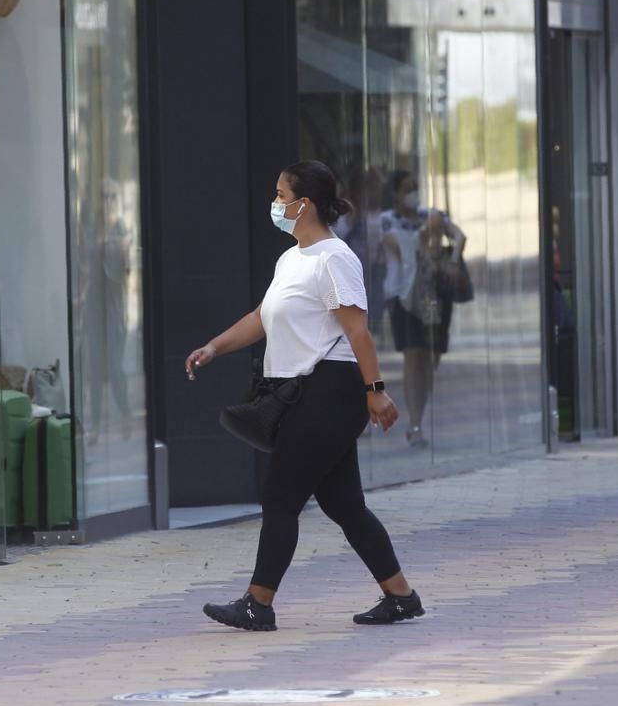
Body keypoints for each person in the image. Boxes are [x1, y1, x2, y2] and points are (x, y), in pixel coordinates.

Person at [187, 161, 423, 630]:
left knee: (280, 497)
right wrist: (214, 346)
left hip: (330, 390)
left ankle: (258, 603)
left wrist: (375, 392)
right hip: (302, 390)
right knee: (344, 505)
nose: (275, 203)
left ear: (304, 204)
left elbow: (359, 332)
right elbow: (261, 315)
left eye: (280, 195)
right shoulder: (292, 258)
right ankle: (400, 595)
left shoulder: (334, 259)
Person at [380, 171, 465, 448]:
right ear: (395, 193)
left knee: (431, 354)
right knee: (413, 354)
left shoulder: (429, 213)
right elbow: (399, 246)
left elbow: (459, 236)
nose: (413, 193)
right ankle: (415, 424)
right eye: (407, 188)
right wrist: (429, 228)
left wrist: (453, 259)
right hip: (405, 296)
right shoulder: (388, 220)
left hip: (430, 297)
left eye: (415, 187)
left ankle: (420, 414)